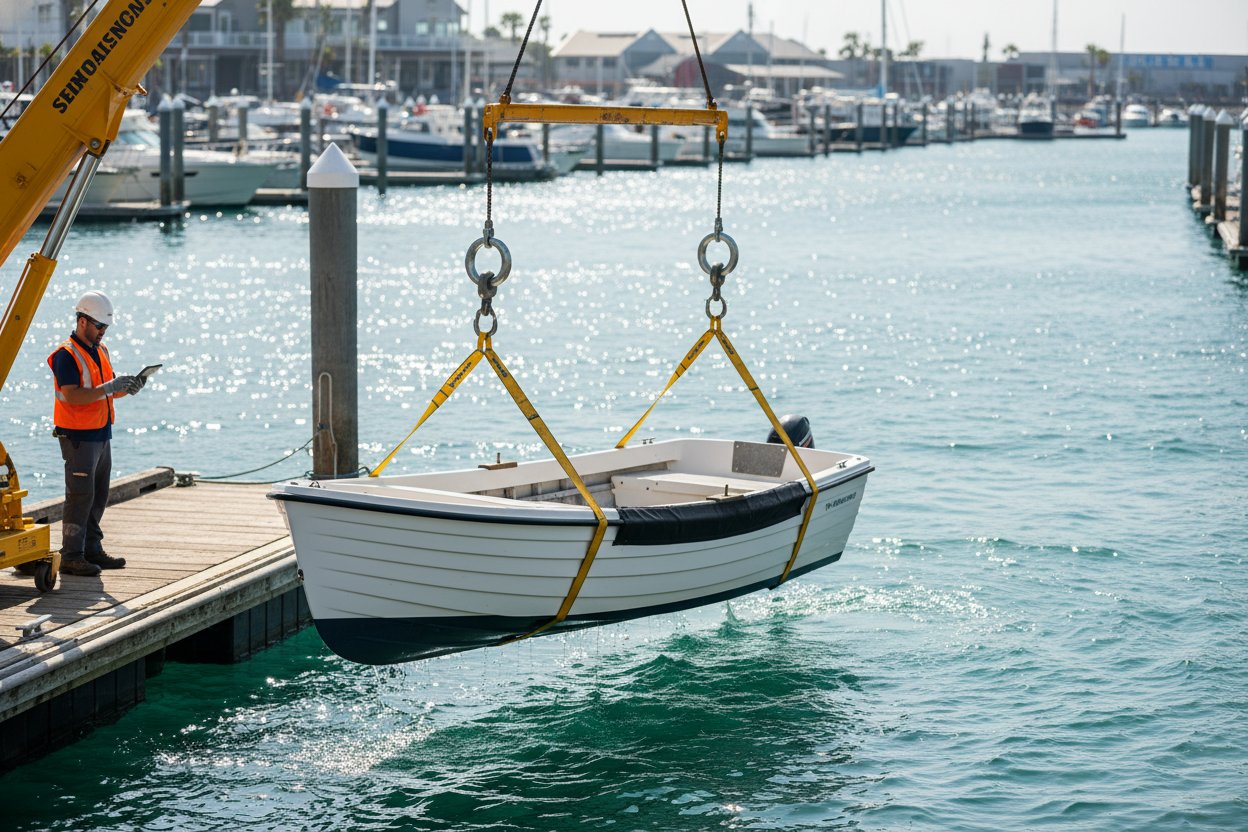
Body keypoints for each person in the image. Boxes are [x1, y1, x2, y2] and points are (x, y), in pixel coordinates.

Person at [45, 291, 145, 577]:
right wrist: (110, 388)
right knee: (80, 496)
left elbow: (104, 391)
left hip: (101, 433)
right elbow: (74, 395)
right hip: (78, 437)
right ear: (82, 321)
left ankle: (91, 549)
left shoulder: (101, 350)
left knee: (98, 495)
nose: (103, 331)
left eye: (106, 327)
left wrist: (126, 388)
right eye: (99, 326)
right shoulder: (65, 355)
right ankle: (71, 555)